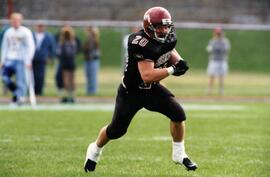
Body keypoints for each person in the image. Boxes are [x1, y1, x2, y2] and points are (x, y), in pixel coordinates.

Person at [84, 7, 197, 172]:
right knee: (116, 130)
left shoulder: (168, 37)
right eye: (159, 26)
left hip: (152, 90)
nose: (164, 30)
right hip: (131, 92)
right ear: (149, 26)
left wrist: (179, 61)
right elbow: (147, 75)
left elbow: (168, 49)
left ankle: (179, 154)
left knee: (178, 114)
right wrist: (173, 69)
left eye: (166, 26)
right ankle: (94, 150)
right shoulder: (139, 42)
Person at [0, 13, 35, 105]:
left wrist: (29, 60)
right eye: (13, 20)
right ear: (11, 21)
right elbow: (5, 47)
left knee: (20, 81)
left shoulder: (26, 32)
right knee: (4, 77)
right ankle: (17, 93)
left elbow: (31, 46)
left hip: (21, 60)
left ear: (20, 21)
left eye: (17, 20)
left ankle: (20, 98)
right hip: (9, 59)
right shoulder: (8, 32)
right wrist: (2, 60)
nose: (15, 22)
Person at [32, 23, 55, 95]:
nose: (40, 28)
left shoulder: (48, 36)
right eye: (39, 26)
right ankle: (32, 91)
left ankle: (39, 91)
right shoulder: (31, 35)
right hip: (32, 58)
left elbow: (52, 47)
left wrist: (50, 57)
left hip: (42, 58)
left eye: (41, 26)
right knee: (32, 75)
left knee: (41, 75)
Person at [206, 27, 230, 95]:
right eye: (217, 33)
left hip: (222, 61)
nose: (218, 35)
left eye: (219, 33)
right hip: (214, 60)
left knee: (221, 76)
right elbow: (209, 49)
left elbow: (225, 50)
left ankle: (221, 90)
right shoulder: (212, 41)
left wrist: (216, 49)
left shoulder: (225, 41)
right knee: (211, 75)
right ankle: (209, 90)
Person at [56, 26, 77, 103]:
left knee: (66, 81)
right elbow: (74, 53)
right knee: (72, 80)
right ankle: (72, 96)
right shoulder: (73, 43)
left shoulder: (62, 43)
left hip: (65, 63)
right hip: (71, 62)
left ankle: (67, 96)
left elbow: (58, 53)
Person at [82, 26, 100, 95]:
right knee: (88, 75)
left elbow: (89, 48)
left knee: (93, 76)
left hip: (93, 60)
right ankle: (89, 91)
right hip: (88, 59)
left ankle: (93, 91)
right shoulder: (88, 40)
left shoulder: (94, 39)